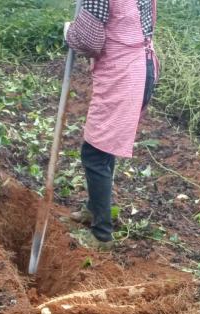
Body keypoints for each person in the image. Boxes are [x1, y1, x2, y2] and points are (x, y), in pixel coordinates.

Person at [65, 0, 158, 250]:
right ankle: (95, 209)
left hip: (125, 73)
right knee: (103, 147)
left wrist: (69, 32)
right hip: (140, 66)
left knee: (94, 154)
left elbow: (88, 41)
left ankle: (101, 235)